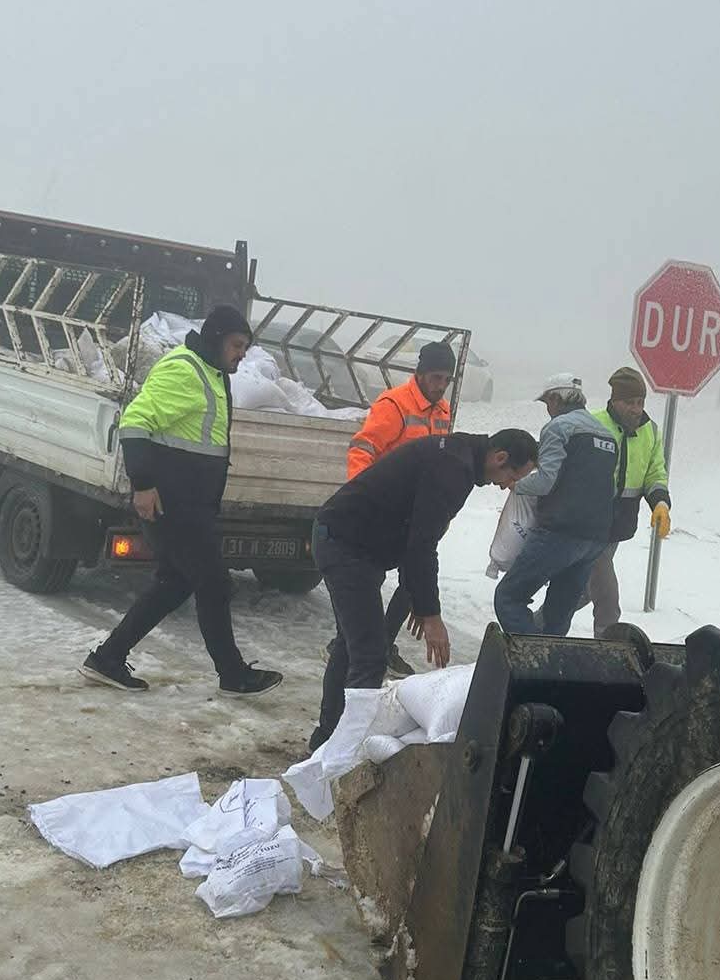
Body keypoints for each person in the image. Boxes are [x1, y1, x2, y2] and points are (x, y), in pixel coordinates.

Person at [80, 305, 283, 695]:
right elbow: (135, 421)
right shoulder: (185, 370)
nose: (241, 354)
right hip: (174, 505)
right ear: (216, 339)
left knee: (174, 585)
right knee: (214, 583)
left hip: (191, 504)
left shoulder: (211, 373)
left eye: (245, 347)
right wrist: (142, 484)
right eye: (236, 345)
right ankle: (233, 675)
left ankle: (107, 658)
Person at [309, 427, 538, 750]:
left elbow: (414, 529)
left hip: (355, 544)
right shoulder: (453, 469)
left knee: (353, 645)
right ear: (500, 458)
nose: (508, 486)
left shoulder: (459, 457)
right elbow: (421, 544)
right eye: (513, 476)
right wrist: (431, 615)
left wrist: (416, 596)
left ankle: (327, 740)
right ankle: (340, 752)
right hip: (345, 544)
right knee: (370, 655)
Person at [343, 340, 458, 677]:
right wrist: (362, 497)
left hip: (416, 513)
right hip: (382, 507)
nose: (440, 385)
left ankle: (382, 645)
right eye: (435, 377)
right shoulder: (394, 404)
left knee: (413, 581)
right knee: (366, 581)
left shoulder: (443, 411)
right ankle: (346, 648)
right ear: (419, 373)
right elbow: (362, 448)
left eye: (446, 379)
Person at [494, 375, 619, 637]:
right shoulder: (607, 436)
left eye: (547, 403)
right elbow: (611, 489)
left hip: (560, 533)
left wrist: (517, 485)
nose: (548, 409)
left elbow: (545, 482)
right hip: (595, 539)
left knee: (509, 597)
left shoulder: (559, 427)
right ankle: (552, 657)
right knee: (558, 613)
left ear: (555, 398)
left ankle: (532, 656)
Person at [584, 366, 672, 634]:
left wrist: (660, 503)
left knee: (582, 591)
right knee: (607, 596)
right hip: (588, 523)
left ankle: (536, 628)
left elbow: (655, 474)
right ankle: (608, 646)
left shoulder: (650, 431)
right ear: (615, 400)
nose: (636, 409)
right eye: (630, 402)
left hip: (618, 525)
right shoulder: (592, 424)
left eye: (640, 402)